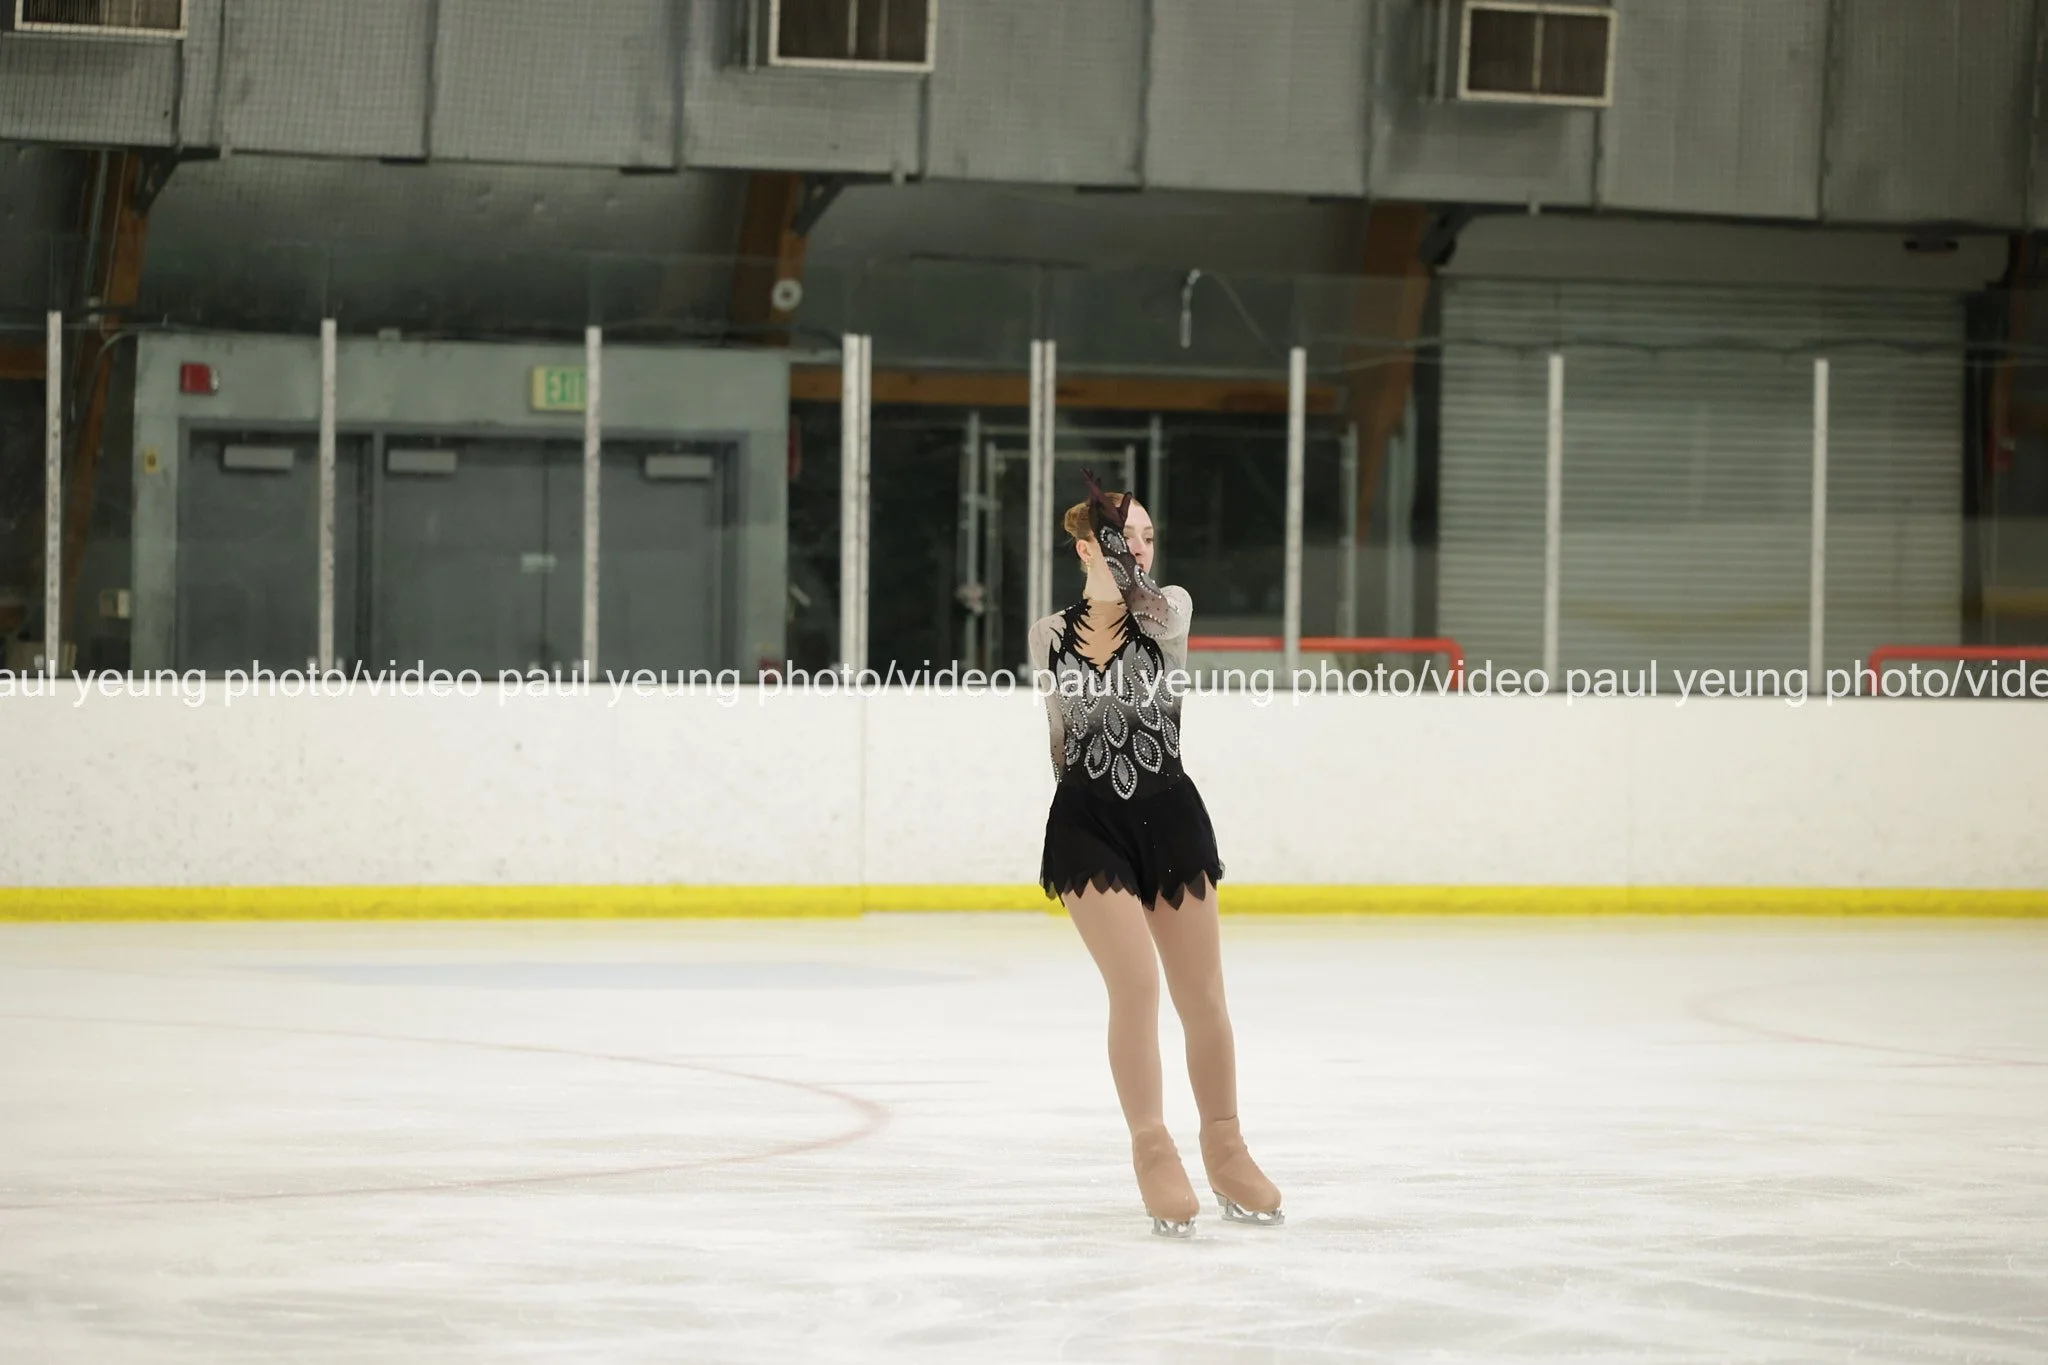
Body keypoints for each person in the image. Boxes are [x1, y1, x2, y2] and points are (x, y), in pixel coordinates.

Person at [1028, 469, 1283, 1238]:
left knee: (1202, 995)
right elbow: (1060, 735)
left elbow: (1146, 604)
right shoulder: (1048, 633)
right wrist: (1082, 805)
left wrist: (1129, 566)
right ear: (1085, 547)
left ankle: (1227, 1147)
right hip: (1087, 822)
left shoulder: (1170, 610)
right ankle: (1152, 1148)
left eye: (1145, 536)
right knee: (1135, 985)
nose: (1137, 546)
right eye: (1121, 536)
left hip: (1169, 815)